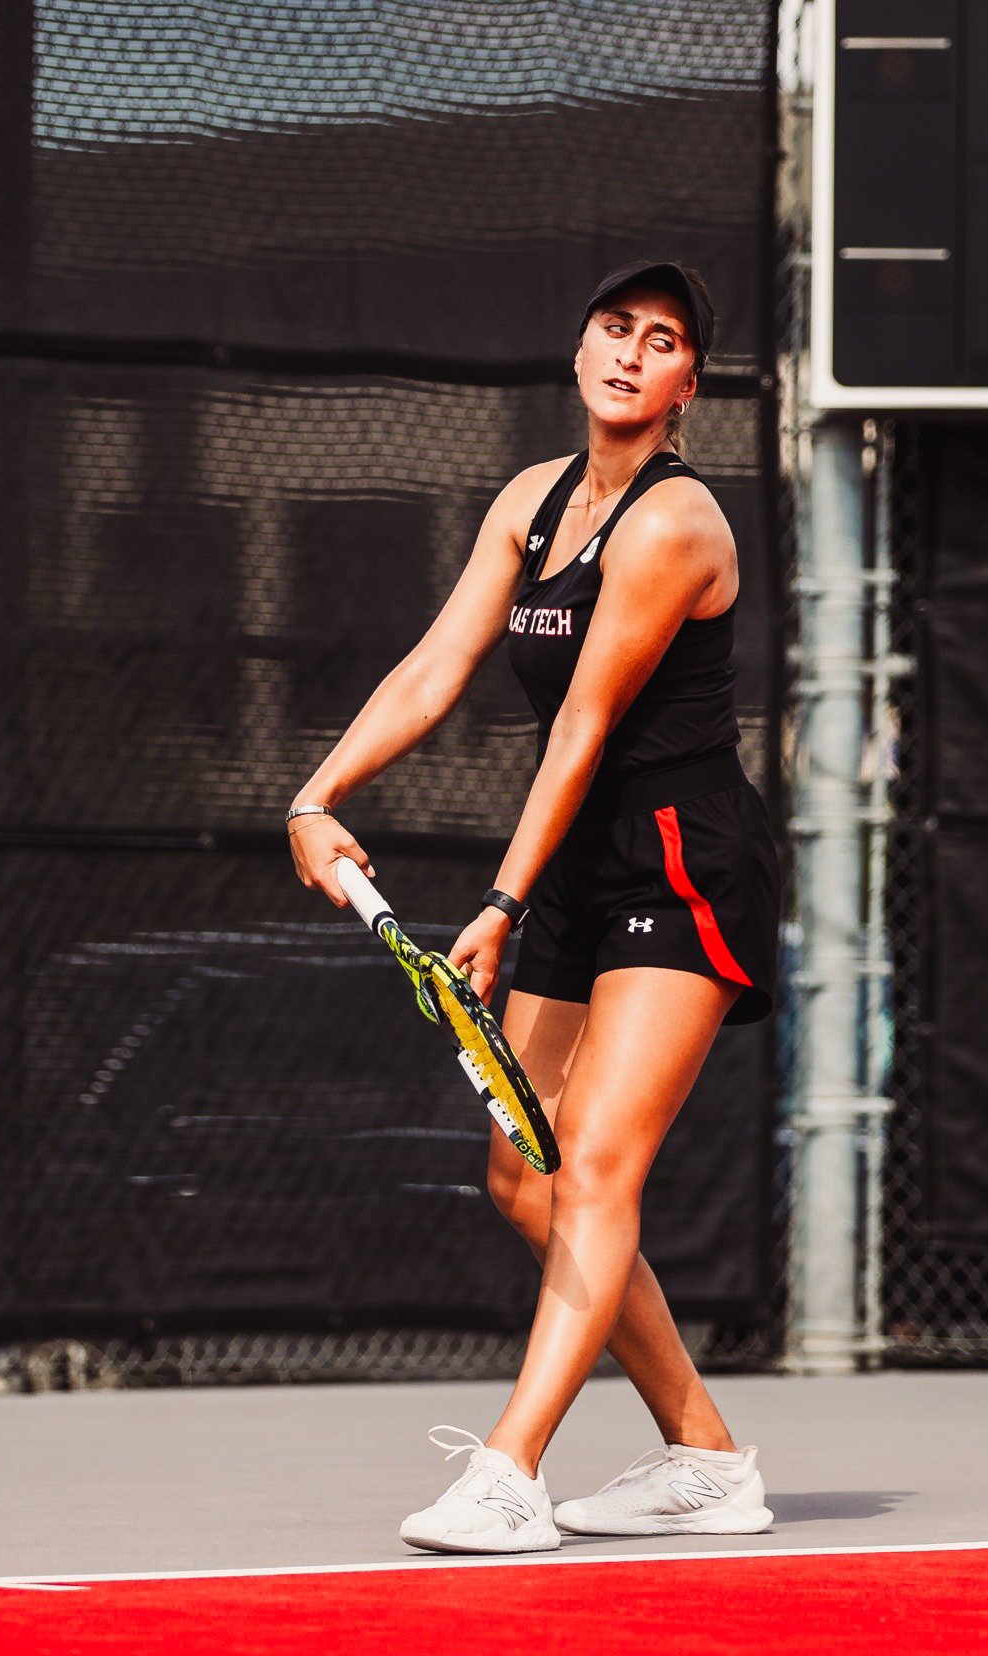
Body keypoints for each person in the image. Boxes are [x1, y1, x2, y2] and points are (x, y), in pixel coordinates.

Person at [286, 261, 779, 1553]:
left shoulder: (677, 525)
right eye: (614, 328)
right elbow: (439, 666)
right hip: (576, 862)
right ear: (581, 348)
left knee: (599, 1167)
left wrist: (501, 897)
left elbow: (583, 723)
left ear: (687, 386)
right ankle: (708, 1458)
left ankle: (510, 1472)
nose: (628, 353)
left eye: (661, 341)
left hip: (679, 861)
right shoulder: (529, 502)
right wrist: (316, 790)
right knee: (524, 1176)